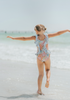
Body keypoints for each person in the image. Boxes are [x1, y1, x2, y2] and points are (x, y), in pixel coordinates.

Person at [7, 24, 70, 95]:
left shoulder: (35, 37)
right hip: (46, 56)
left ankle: (39, 90)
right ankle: (48, 79)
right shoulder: (47, 36)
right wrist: (67, 30)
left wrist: (13, 38)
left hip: (39, 57)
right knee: (48, 69)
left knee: (40, 74)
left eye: (35, 30)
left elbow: (24, 38)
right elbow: (58, 33)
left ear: (37, 31)